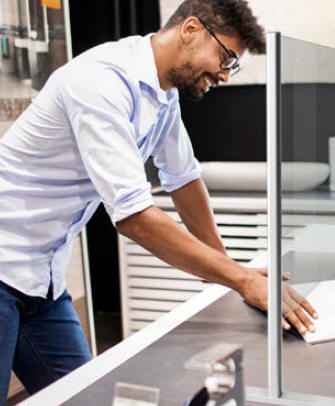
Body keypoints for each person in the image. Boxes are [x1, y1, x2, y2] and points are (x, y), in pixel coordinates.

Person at [0, 0, 316, 400]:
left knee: (85, 396)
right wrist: (240, 280)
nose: (223, 74)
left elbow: (184, 179)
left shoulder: (161, 93)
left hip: (41, 279)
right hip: (3, 264)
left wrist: (228, 272)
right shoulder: (102, 81)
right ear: (190, 30)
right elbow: (134, 217)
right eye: (225, 57)